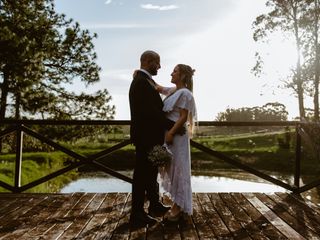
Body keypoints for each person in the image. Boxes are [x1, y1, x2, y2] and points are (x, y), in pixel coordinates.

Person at [128, 50, 171, 229]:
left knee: (151, 172)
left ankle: (154, 204)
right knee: (141, 176)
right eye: (157, 62)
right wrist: (172, 124)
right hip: (146, 137)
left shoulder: (146, 81)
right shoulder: (141, 82)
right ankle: (137, 214)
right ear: (147, 61)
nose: (159, 67)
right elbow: (150, 112)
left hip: (150, 136)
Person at [157, 64, 197, 222]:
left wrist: (171, 133)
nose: (171, 73)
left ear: (182, 76)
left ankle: (179, 207)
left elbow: (183, 117)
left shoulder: (185, 93)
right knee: (172, 167)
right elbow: (159, 88)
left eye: (175, 71)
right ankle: (176, 203)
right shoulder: (174, 91)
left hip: (176, 137)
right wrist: (140, 74)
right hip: (170, 135)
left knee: (179, 168)